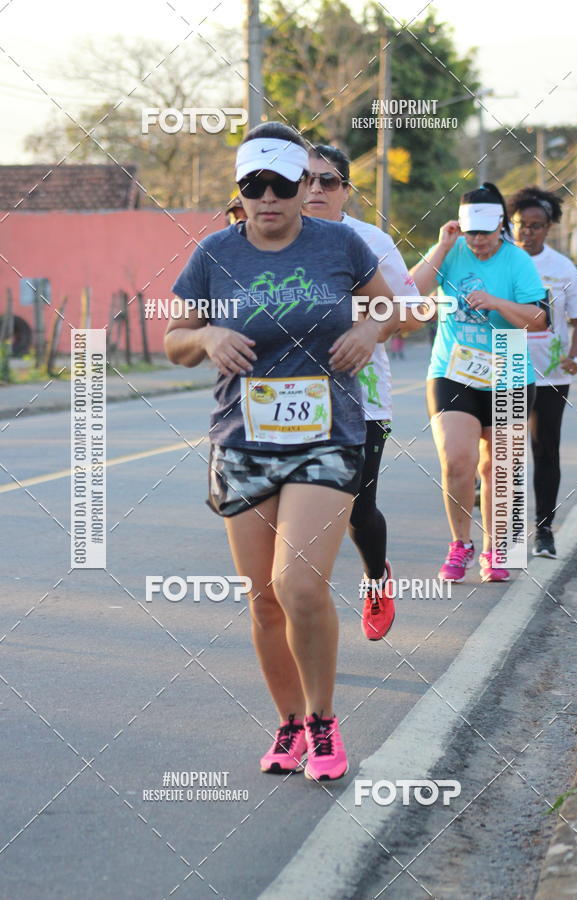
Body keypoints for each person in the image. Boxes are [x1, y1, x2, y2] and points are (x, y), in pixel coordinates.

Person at [165, 122, 399, 782]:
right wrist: (208, 337)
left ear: (304, 187)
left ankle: (325, 723)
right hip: (243, 440)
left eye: (281, 184)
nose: (268, 197)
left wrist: (368, 329)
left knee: (295, 583)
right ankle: (291, 722)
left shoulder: (340, 243)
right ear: (239, 193)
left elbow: (391, 307)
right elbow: (174, 340)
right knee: (262, 599)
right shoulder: (215, 254)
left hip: (326, 436)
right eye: (253, 185)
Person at [303, 143, 422, 640]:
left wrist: (366, 328)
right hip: (290, 399)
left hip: (362, 396)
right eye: (305, 179)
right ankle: (305, 611)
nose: (315, 189)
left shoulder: (369, 241)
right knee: (296, 512)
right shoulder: (270, 241)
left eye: (328, 181)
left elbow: (413, 313)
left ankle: (376, 579)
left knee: (355, 507)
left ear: (346, 191)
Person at [411, 182, 546, 583]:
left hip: (507, 364)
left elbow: (539, 319)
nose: (478, 241)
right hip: (454, 368)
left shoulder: (517, 261)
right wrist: (440, 246)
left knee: (498, 469)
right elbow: (410, 291)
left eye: (486, 233)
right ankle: (460, 545)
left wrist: (498, 302)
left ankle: (496, 548)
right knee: (457, 461)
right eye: (471, 232)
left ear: (501, 225)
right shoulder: (449, 252)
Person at [508, 186, 577, 558]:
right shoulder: (502, 260)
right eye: (522, 224)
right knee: (503, 450)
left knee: (544, 451)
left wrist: (573, 355)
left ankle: (544, 532)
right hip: (507, 365)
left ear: (549, 227)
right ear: (513, 224)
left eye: (537, 226)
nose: (529, 232)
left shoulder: (562, 267)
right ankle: (504, 530)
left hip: (552, 373)